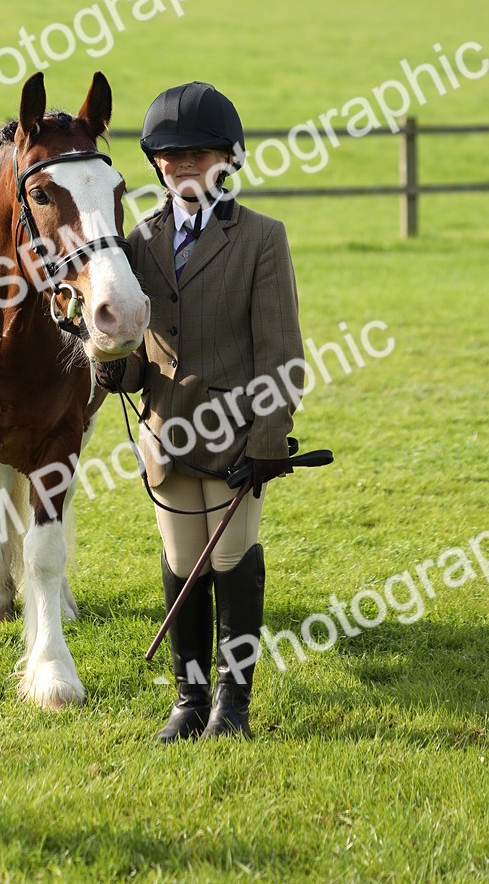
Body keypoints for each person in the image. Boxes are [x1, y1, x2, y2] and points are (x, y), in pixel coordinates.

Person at [96, 82, 304, 742]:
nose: (184, 165)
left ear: (229, 160)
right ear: (156, 162)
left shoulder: (261, 240)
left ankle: (232, 705)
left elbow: (281, 348)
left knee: (232, 561)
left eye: (200, 154)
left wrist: (271, 433)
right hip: (165, 438)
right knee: (183, 565)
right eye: (171, 155)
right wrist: (110, 364)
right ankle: (188, 701)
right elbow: (136, 361)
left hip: (236, 437)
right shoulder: (137, 243)